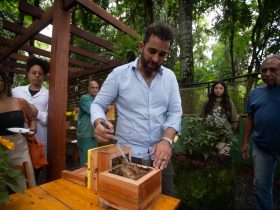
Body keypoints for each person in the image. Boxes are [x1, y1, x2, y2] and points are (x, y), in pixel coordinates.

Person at [90, 23, 182, 196]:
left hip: (160, 157)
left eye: (162, 54)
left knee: (165, 200)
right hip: (127, 157)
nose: (156, 59)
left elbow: (175, 112)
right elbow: (98, 104)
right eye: (152, 51)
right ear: (142, 46)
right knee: (126, 202)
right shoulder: (119, 75)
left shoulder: (169, 77)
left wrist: (167, 140)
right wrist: (98, 123)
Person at [241, 54, 280, 210]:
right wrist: (244, 142)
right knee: (261, 186)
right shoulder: (255, 93)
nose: (268, 74)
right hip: (262, 147)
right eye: (264, 70)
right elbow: (250, 119)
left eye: (273, 70)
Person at [12, 56, 49, 183]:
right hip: (18, 137)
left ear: (44, 76)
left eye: (40, 73)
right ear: (27, 74)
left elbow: (54, 119)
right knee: (17, 170)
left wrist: (38, 114)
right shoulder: (16, 91)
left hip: (38, 139)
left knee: (34, 170)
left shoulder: (49, 94)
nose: (37, 75)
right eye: (34, 72)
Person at [0, 71, 37, 189]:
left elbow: (32, 120)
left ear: (4, 82)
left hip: (20, 154)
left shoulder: (19, 102)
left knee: (26, 190)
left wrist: (32, 130)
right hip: (1, 156)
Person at [76, 80, 100, 166]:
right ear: (88, 88)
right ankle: (83, 179)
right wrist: (105, 107)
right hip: (86, 135)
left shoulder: (97, 100)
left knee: (92, 161)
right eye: (93, 87)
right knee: (86, 163)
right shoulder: (85, 98)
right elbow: (93, 110)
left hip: (94, 135)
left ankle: (89, 179)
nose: (95, 89)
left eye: (97, 88)